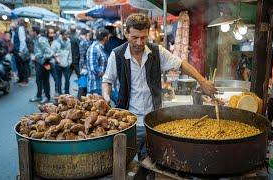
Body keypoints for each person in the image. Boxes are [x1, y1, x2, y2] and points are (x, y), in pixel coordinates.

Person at [102, 13, 216, 160]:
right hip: (128, 123)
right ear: (126, 33)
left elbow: (181, 64)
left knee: (152, 161)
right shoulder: (116, 55)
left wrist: (202, 81)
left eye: (143, 37)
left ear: (148, 33)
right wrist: (106, 97)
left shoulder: (157, 52)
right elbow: (107, 80)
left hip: (153, 121)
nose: (139, 42)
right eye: (134, 37)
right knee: (128, 162)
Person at [29, 26, 54, 104]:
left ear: (35, 32)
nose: (30, 32)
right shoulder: (36, 39)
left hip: (44, 63)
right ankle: (39, 95)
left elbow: (49, 52)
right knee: (39, 80)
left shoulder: (41, 40)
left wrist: (41, 58)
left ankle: (47, 96)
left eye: (31, 31)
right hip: (39, 63)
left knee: (45, 80)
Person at [86, 28, 109, 95]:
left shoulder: (101, 48)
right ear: (105, 38)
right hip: (95, 86)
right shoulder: (94, 48)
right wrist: (107, 76)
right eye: (108, 36)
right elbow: (93, 68)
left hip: (101, 85)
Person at [52, 29, 72, 95]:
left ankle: (67, 94)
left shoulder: (69, 42)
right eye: (65, 34)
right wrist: (56, 59)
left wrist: (69, 62)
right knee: (58, 80)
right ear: (62, 35)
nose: (67, 36)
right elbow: (52, 52)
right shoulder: (56, 42)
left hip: (66, 64)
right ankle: (59, 93)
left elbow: (70, 52)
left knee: (67, 80)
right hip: (58, 64)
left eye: (67, 34)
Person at [12, 19, 29, 86]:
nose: (12, 23)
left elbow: (22, 41)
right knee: (19, 65)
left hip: (20, 50)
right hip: (16, 50)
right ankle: (21, 79)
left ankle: (25, 80)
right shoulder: (15, 30)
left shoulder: (20, 29)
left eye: (14, 22)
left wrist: (20, 51)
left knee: (23, 66)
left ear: (18, 23)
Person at [78, 28, 92, 98]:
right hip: (85, 66)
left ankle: (80, 99)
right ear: (87, 34)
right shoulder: (85, 42)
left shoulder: (82, 41)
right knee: (83, 85)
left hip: (83, 66)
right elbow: (83, 57)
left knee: (82, 84)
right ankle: (80, 100)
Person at [46, 27, 58, 96]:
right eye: (50, 33)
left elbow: (57, 51)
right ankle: (46, 94)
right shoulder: (45, 41)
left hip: (53, 63)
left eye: (52, 33)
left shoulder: (56, 41)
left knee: (55, 78)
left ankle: (56, 92)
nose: (51, 34)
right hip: (46, 63)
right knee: (46, 78)